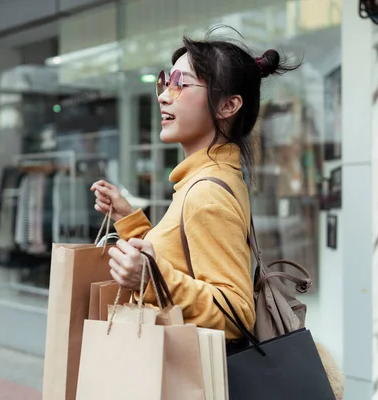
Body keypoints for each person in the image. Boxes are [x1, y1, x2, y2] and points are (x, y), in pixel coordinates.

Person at [91, 28, 300, 340]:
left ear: (227, 106)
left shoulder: (206, 192)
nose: (163, 94)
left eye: (180, 84)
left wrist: (150, 279)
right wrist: (127, 220)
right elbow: (181, 261)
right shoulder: (206, 179)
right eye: (166, 81)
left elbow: (237, 314)